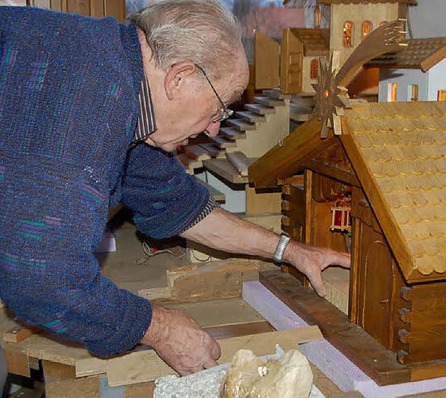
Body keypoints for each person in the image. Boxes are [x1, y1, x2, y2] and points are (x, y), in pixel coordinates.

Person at [0, 0, 350, 379]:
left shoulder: (123, 79)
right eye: (219, 109)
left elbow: (178, 205)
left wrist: (290, 251)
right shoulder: (89, 108)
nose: (215, 129)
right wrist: (160, 329)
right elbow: (43, 279)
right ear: (179, 77)